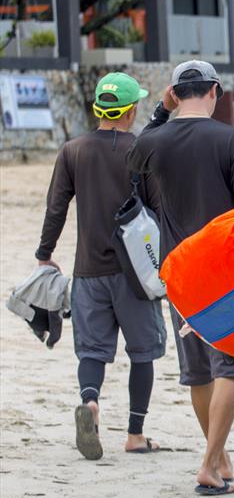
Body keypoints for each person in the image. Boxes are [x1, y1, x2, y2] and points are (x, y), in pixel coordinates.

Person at [128, 60, 234, 494]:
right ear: (215, 91)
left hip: (178, 271)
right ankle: (208, 462)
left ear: (173, 93)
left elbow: (134, 156)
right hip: (224, 271)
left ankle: (219, 455)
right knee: (228, 366)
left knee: (198, 372)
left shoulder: (156, 141)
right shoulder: (231, 139)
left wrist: (159, 112)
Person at [35, 72, 166, 460]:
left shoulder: (72, 150)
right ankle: (135, 433)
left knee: (92, 352)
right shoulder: (141, 149)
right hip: (137, 273)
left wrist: (44, 253)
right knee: (142, 352)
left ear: (98, 108)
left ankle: (90, 402)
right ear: (130, 111)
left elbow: (56, 207)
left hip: (87, 271)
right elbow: (160, 208)